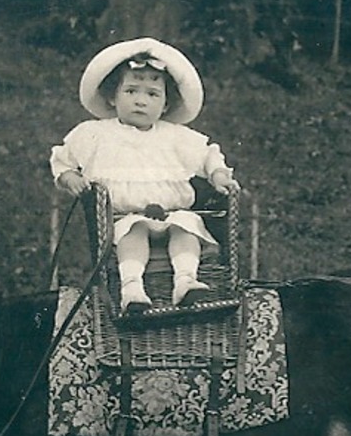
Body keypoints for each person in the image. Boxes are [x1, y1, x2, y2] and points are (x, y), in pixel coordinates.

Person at [51, 37, 241, 312]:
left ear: (165, 105)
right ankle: (132, 289)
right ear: (112, 97)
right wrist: (69, 178)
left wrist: (219, 175)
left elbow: (208, 154)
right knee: (133, 232)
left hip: (172, 213)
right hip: (124, 218)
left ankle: (186, 282)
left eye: (152, 94)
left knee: (186, 226)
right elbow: (63, 159)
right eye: (131, 91)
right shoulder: (94, 134)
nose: (141, 101)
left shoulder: (176, 136)